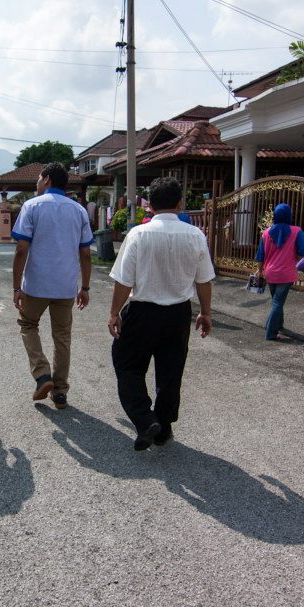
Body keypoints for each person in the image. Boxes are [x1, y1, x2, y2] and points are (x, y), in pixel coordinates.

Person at [108, 177, 214, 451]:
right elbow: (204, 280)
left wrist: (114, 313)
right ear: (180, 203)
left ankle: (145, 419)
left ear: (150, 205)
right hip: (178, 314)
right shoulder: (195, 235)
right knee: (170, 371)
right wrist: (205, 312)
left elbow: (124, 280)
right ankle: (163, 426)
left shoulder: (138, 234)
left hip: (142, 312)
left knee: (127, 364)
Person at [12, 162, 94, 410]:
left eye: (39, 178)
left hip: (36, 285)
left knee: (28, 324)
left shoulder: (31, 206)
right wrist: (86, 288)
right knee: (62, 337)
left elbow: (21, 248)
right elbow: (86, 253)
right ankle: (60, 392)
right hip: (66, 287)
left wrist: (17, 287)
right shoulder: (79, 211)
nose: (37, 182)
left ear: (46, 179)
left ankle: (42, 375)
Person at [254, 203, 304, 341]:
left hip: (270, 273)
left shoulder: (266, 233)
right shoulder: (296, 231)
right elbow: (303, 251)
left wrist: (259, 270)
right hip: (287, 273)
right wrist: (294, 257)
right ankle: (271, 333)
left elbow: (261, 255)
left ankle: (279, 325)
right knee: (278, 302)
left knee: (276, 301)